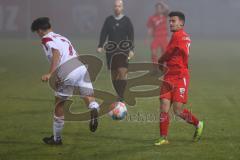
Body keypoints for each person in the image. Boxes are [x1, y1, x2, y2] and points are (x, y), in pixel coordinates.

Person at [31, 17, 100, 145]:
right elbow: (77, 54)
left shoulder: (46, 39)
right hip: (80, 67)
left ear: (40, 30)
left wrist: (51, 73)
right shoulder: (62, 37)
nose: (38, 34)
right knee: (88, 96)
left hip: (67, 71)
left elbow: (56, 53)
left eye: (37, 32)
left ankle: (57, 139)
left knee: (59, 105)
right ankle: (94, 108)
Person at [155, 11, 204, 145]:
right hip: (169, 75)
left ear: (181, 23)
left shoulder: (179, 36)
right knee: (164, 106)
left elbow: (169, 52)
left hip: (180, 76)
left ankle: (198, 124)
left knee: (177, 110)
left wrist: (160, 61)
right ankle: (163, 137)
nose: (170, 23)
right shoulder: (180, 36)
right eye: (169, 21)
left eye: (173, 21)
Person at [97, 0, 134, 102]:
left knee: (122, 71)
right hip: (111, 52)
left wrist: (131, 49)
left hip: (123, 51)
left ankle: (121, 96)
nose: (117, 8)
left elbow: (131, 35)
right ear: (113, 8)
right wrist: (100, 45)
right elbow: (104, 33)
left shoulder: (127, 20)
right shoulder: (109, 20)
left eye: (119, 6)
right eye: (115, 6)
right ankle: (119, 93)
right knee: (114, 74)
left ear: (122, 8)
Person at [147, 1, 169, 74]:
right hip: (156, 37)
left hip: (164, 37)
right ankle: (155, 68)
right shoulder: (152, 18)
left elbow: (167, 9)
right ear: (155, 9)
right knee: (153, 52)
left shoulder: (165, 16)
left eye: (160, 8)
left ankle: (163, 67)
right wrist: (149, 37)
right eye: (157, 8)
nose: (158, 10)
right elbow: (150, 29)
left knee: (164, 54)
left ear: (162, 9)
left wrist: (161, 2)